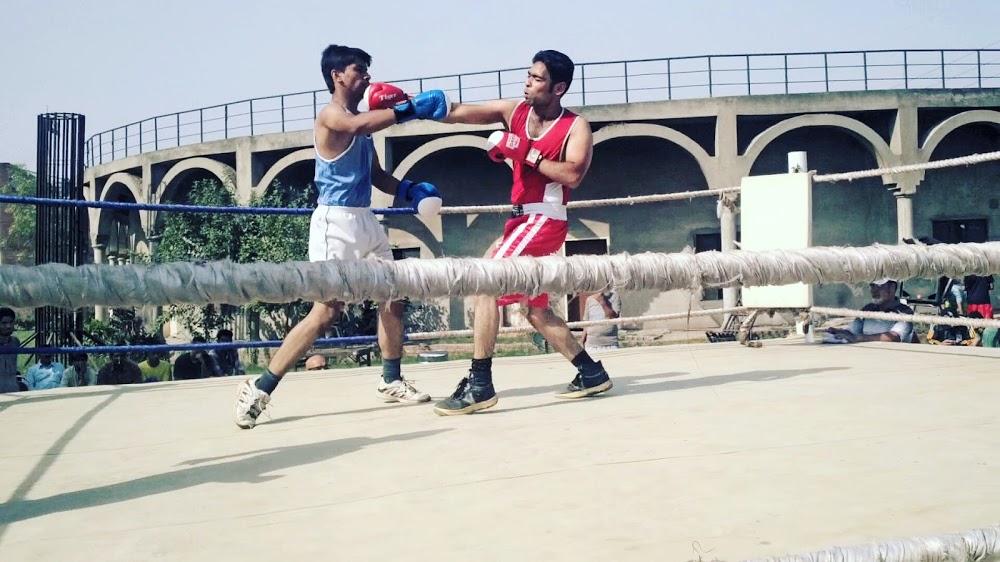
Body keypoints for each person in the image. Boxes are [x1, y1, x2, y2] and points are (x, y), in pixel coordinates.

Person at [233, 44, 451, 429]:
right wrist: (408, 110)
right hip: (335, 224)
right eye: (359, 69)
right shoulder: (332, 116)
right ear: (337, 75)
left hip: (365, 218)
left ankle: (391, 379)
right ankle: (260, 386)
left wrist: (411, 189)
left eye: (368, 69)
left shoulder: (362, 126)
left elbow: (377, 177)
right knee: (326, 312)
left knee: (393, 294)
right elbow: (357, 125)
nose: (366, 76)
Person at [431, 50, 613, 416]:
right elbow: (460, 112)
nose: (527, 83)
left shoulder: (576, 126)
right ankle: (591, 372)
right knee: (534, 309)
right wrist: (418, 107)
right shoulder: (514, 111)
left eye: (537, 78)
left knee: (487, 279)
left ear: (559, 87)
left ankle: (480, 384)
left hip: (545, 219)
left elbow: (574, 175)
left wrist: (527, 153)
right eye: (528, 76)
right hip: (519, 222)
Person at [826, 278, 914, 343]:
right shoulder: (868, 309)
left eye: (878, 286)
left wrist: (857, 338)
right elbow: (853, 332)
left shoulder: (905, 312)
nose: (873, 290)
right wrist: (837, 332)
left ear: (892, 287)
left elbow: (893, 337)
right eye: (872, 286)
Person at [0, 307, 22, 393]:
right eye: (4, 323)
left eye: (11, 322)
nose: (8, 326)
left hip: (13, 389)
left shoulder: (15, 341)